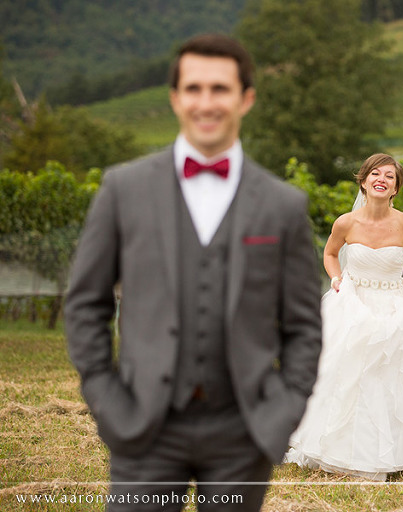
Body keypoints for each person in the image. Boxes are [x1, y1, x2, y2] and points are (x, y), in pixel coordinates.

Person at [64, 34, 322, 511]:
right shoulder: (124, 189)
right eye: (194, 88)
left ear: (246, 98)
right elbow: (84, 304)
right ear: (175, 97)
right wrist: (106, 398)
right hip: (143, 427)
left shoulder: (283, 205)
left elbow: (305, 325)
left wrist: (282, 410)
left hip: (243, 431)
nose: (207, 103)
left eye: (220, 89)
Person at [284, 153, 403, 481]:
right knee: (347, 373)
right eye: (375, 173)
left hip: (393, 301)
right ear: (364, 181)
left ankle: (399, 448)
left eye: (389, 176)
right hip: (353, 302)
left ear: (396, 188)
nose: (381, 179)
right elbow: (330, 253)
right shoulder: (346, 222)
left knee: (396, 373)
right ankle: (342, 448)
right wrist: (336, 278)